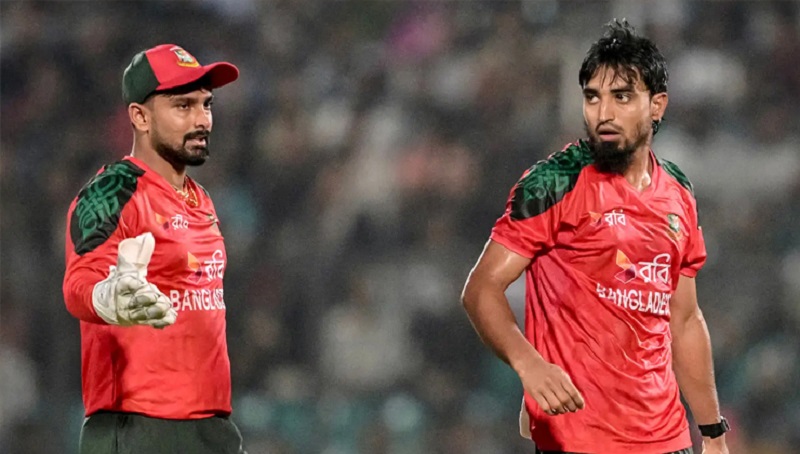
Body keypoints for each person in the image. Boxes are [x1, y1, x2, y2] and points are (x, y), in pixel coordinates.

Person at [461, 20, 730, 454]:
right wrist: (530, 364)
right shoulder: (555, 183)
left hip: (668, 440)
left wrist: (713, 432)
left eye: (621, 97)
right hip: (578, 440)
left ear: (657, 105)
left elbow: (683, 319)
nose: (603, 112)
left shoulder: (679, 193)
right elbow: (481, 289)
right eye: (592, 97)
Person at [62, 43, 246, 454]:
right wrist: (108, 297)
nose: (202, 119)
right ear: (140, 117)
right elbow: (78, 282)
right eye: (183, 106)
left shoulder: (200, 197)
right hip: (139, 428)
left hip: (211, 428)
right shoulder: (113, 190)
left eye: (206, 104)